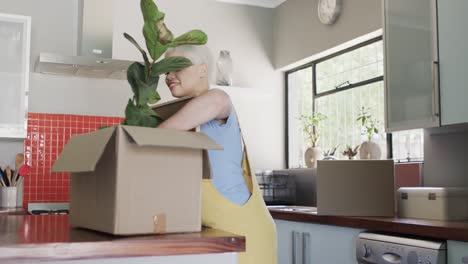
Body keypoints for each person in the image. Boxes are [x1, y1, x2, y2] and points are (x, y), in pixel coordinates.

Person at [157, 45, 277, 264]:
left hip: (245, 230)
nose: (169, 76)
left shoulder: (218, 100)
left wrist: (138, 138)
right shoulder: (185, 115)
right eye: (166, 71)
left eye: (176, 68)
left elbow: (161, 134)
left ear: (202, 70)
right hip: (210, 231)